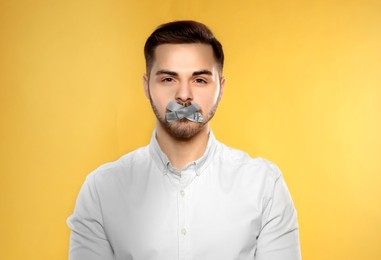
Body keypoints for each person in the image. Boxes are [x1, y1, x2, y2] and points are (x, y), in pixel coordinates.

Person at [67, 20, 301, 260]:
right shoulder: (101, 191)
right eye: (168, 79)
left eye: (199, 80)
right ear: (147, 87)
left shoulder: (264, 186)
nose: (184, 96)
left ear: (220, 88)